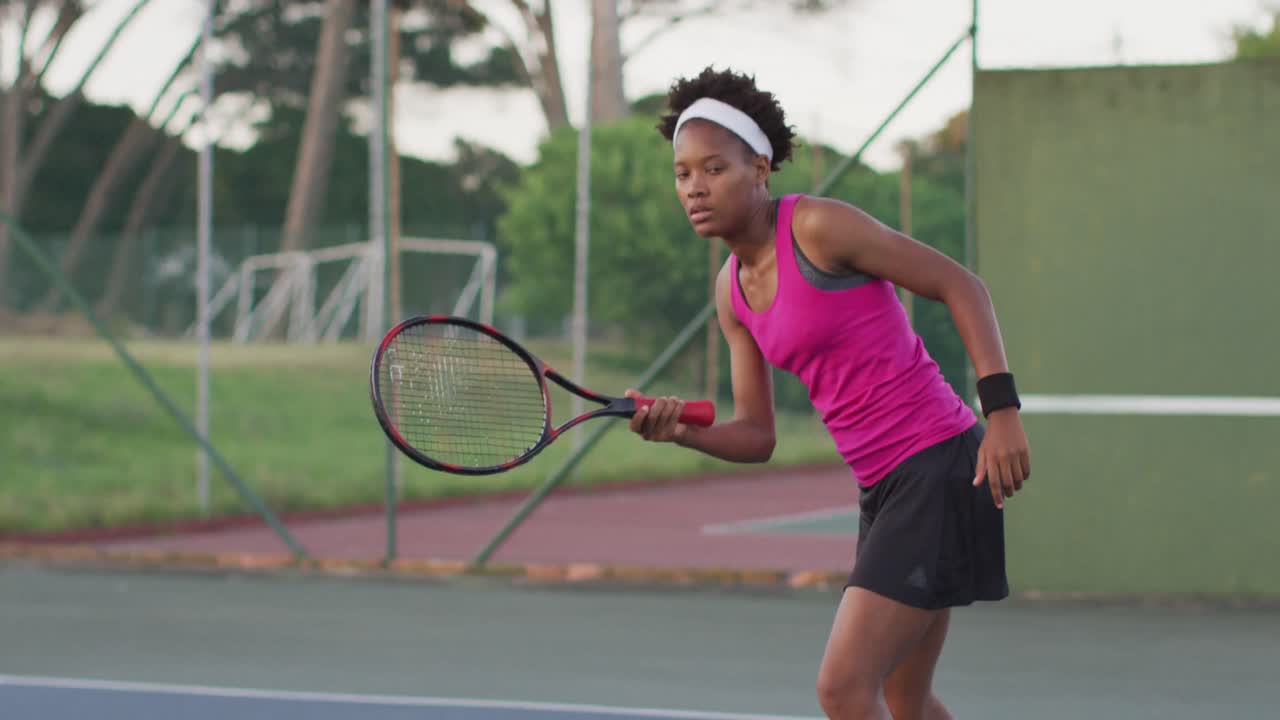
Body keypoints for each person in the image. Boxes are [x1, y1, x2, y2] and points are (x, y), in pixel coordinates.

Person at [624, 66, 1032, 720]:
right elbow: (757, 436)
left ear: (759, 167)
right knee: (905, 696)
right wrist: (680, 430)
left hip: (938, 464)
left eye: (714, 168)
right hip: (884, 488)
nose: (695, 187)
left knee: (842, 690)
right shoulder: (730, 293)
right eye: (682, 174)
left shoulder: (817, 227)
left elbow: (962, 286)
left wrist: (1003, 411)